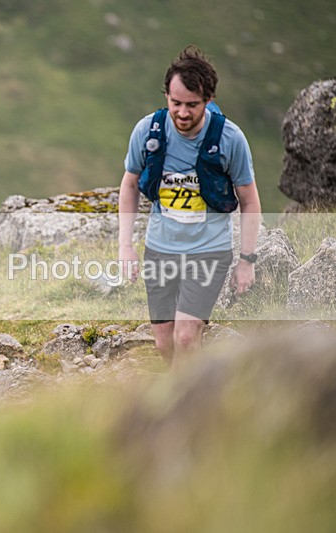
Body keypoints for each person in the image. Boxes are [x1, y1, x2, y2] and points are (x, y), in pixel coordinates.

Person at [118, 46, 262, 369]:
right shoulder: (148, 132)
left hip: (209, 250)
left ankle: (192, 408)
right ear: (167, 96)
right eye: (176, 103)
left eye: (192, 105)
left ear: (208, 100)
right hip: (160, 248)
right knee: (164, 342)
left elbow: (250, 201)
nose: (182, 113)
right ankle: (189, 387)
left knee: (185, 335)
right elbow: (129, 185)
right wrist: (125, 246)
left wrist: (247, 260)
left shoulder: (230, 138)